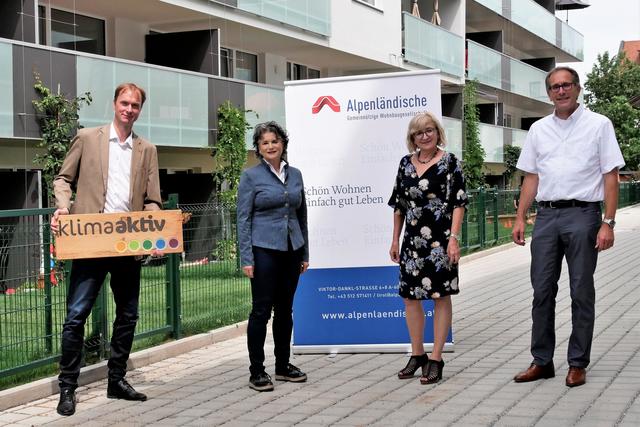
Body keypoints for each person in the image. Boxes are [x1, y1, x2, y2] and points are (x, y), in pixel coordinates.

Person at [51, 83, 162, 416]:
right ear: (114, 104)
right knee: (76, 316)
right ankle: (67, 387)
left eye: (135, 105)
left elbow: (154, 200)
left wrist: (156, 232)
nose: (129, 109)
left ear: (140, 109)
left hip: (127, 243)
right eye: (124, 103)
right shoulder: (88, 138)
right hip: (90, 240)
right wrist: (63, 208)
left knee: (127, 315)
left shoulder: (147, 149)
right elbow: (62, 178)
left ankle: (117, 380)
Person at [512, 66, 625, 388]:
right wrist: (521, 216)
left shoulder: (599, 125)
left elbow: (610, 176)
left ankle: (577, 362)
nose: (560, 92)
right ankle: (542, 361)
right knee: (542, 291)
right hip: (546, 218)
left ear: (577, 88)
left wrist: (609, 222)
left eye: (566, 86)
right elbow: (531, 177)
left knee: (581, 290)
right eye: (554, 87)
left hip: (583, 215)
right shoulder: (538, 129)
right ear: (548, 92)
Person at [388, 112, 467, 384]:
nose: (425, 136)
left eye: (430, 130)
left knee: (440, 296)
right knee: (410, 298)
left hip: (441, 242)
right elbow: (398, 205)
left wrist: (454, 238)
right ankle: (418, 354)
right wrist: (394, 239)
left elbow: (459, 202)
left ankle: (436, 358)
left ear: (437, 132)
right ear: (412, 138)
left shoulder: (450, 162)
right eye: (419, 132)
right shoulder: (404, 164)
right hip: (412, 242)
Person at [237, 121, 309, 392]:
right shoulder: (251, 177)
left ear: (283, 144)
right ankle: (257, 370)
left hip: (292, 250)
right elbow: (243, 218)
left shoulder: (297, 174)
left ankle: (283, 366)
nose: (270, 146)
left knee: (285, 311)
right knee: (261, 311)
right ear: (258, 148)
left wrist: (304, 252)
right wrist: (246, 257)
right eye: (264, 142)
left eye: (275, 141)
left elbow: (302, 215)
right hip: (263, 250)